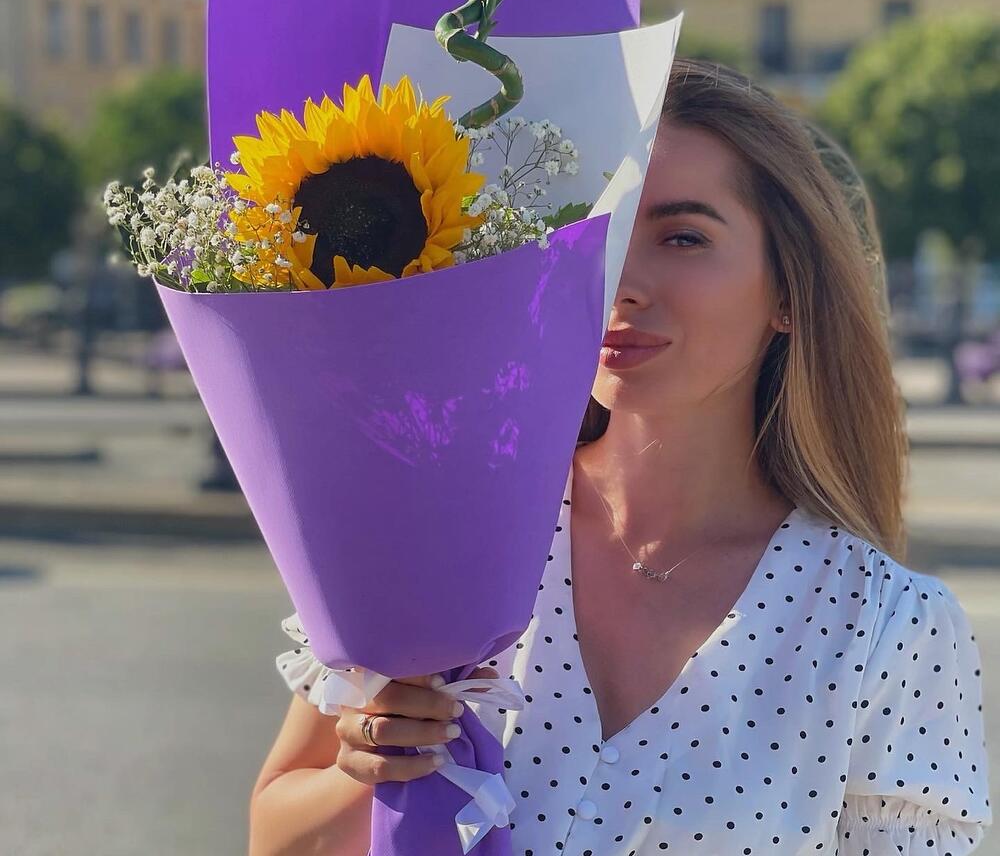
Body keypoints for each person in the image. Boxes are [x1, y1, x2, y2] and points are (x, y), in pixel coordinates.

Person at [247, 58, 992, 855]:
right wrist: (365, 770)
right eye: (598, 233)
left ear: (788, 290)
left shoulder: (886, 626)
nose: (622, 282)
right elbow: (276, 837)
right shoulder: (440, 536)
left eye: (683, 237)